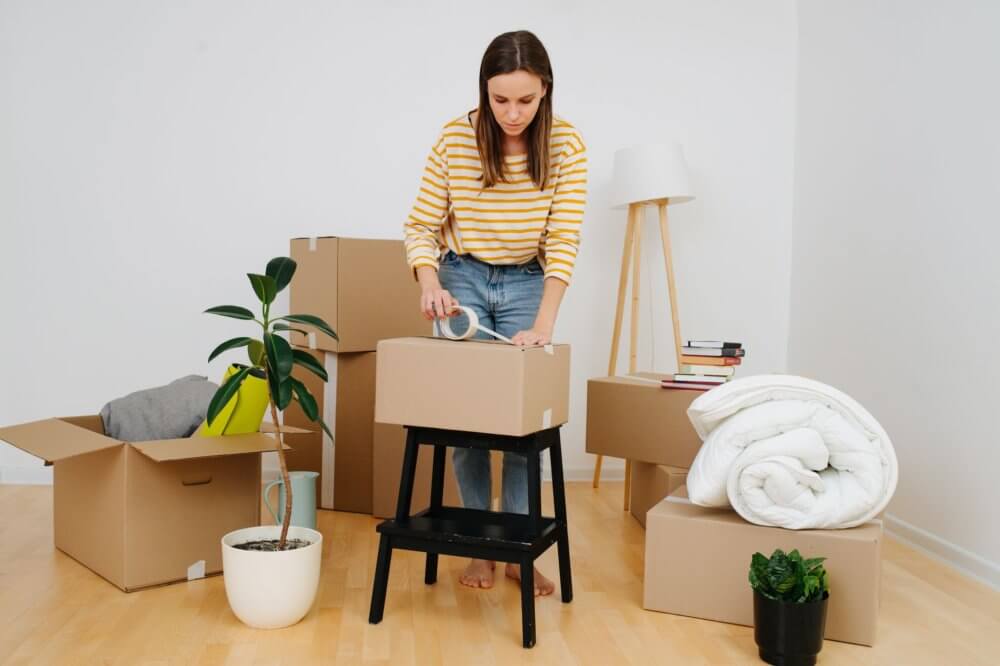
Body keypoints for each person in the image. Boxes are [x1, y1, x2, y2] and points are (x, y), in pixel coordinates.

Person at [403, 30, 587, 595]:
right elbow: (421, 226)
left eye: (525, 100)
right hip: (462, 277)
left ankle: (517, 550)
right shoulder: (456, 138)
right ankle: (481, 547)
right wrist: (429, 282)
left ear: (545, 91)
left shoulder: (566, 146)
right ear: (484, 91)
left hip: (529, 282)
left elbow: (563, 239)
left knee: (522, 422)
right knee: (470, 421)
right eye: (499, 99)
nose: (511, 113)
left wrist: (544, 324)